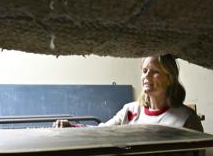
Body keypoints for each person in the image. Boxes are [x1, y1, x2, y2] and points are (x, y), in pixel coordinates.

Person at [54, 54, 203, 131]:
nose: (146, 76)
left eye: (155, 72)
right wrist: (72, 127)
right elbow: (102, 131)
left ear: (170, 78)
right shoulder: (130, 110)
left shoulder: (187, 118)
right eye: (144, 71)